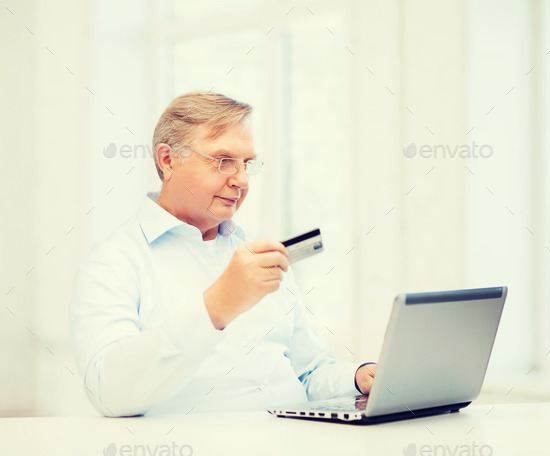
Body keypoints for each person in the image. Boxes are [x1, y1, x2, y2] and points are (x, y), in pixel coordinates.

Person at [70, 92, 376, 416]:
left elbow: (311, 372)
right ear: (168, 159)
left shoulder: (256, 255)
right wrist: (216, 307)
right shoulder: (113, 261)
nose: (241, 180)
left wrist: (359, 378)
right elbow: (108, 393)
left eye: (246, 164)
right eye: (223, 161)